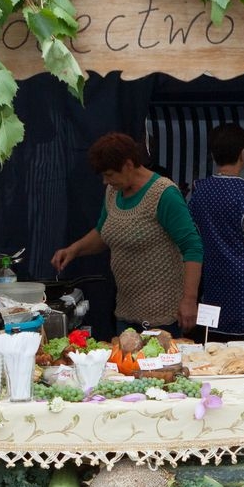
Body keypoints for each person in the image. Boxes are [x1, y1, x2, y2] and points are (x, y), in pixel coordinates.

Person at [49, 132, 203, 335]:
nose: (105, 181)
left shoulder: (164, 194)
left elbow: (193, 247)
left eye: (109, 174)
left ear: (129, 165)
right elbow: (103, 232)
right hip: (126, 312)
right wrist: (74, 250)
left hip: (162, 316)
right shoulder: (113, 192)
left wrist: (189, 300)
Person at [188, 123, 244, 338]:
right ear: (243, 154)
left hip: (211, 284)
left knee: (211, 346)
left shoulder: (199, 191)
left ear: (212, 155)